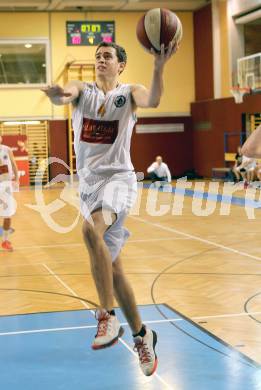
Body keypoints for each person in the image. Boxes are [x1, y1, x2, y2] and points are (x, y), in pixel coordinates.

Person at [42, 40, 178, 376]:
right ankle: (143, 335)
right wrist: (57, 94)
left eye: (108, 57)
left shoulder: (130, 93)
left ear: (121, 66)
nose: (101, 61)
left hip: (119, 180)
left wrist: (159, 65)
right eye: (98, 57)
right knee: (115, 271)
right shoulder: (84, 91)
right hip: (88, 186)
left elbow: (155, 99)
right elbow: (66, 94)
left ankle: (106, 317)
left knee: (90, 230)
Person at [0, 136, 19, 251]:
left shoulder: (7, 149)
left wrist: (16, 179)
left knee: (8, 215)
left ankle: (5, 241)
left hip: (7, 185)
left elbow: (13, 164)